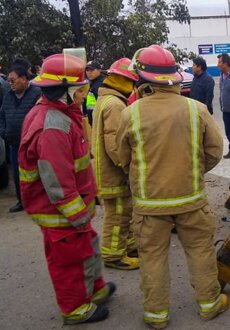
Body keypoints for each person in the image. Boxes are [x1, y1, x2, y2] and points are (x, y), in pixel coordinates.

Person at [117, 45, 227, 329]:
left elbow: (122, 156)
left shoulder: (132, 114)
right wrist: (193, 171)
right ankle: (210, 305)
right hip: (191, 199)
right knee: (201, 251)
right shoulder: (196, 109)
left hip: (149, 205)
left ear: (143, 78)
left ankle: (156, 316)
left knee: (152, 257)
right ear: (174, 77)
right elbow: (215, 151)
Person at [19, 53, 115, 325]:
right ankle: (75, 309)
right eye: (80, 89)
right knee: (69, 260)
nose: (85, 93)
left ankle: (94, 291)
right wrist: (77, 214)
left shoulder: (58, 114)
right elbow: (58, 183)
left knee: (87, 247)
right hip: (60, 211)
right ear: (65, 91)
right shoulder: (52, 126)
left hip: (71, 207)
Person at [91, 58, 140, 270]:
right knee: (118, 213)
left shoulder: (106, 100)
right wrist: (127, 166)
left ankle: (128, 246)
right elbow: (115, 144)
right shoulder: (115, 104)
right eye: (130, 81)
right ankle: (113, 255)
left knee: (124, 210)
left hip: (106, 169)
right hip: (114, 172)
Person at [0, 62, 41, 212]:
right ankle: (21, 201)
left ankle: (38, 201)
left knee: (35, 174)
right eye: (9, 81)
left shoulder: (37, 93)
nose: (10, 84)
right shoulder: (8, 95)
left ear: (24, 79)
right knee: (18, 176)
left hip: (32, 144)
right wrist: (3, 132)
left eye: (13, 80)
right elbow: (2, 115)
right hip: (14, 143)